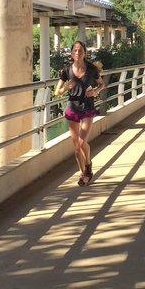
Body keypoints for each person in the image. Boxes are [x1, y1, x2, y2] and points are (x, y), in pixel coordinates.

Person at [54, 40, 104, 186]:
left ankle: (88, 165)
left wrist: (94, 92)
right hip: (72, 109)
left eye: (80, 51)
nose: (77, 53)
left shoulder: (91, 70)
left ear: (84, 53)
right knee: (76, 146)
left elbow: (102, 84)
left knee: (82, 142)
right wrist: (66, 88)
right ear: (71, 53)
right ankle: (82, 173)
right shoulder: (67, 70)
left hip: (87, 108)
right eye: (75, 50)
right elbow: (57, 92)